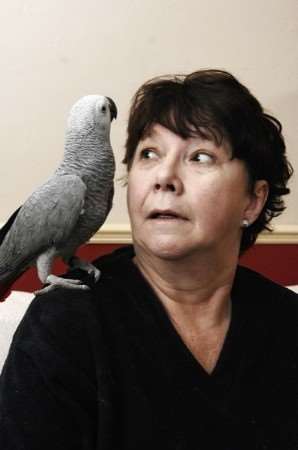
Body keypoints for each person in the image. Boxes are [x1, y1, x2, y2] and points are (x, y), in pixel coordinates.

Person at [0, 69, 296, 449]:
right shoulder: (65, 325)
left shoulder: (288, 324)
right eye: (149, 154)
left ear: (253, 201)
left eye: (200, 156)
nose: (164, 177)